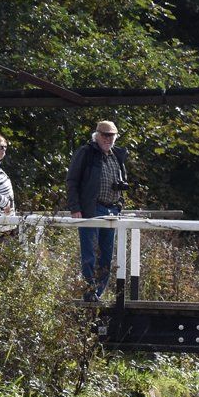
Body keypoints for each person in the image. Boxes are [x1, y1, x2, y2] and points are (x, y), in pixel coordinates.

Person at [66, 120, 130, 300]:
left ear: (115, 137)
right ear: (97, 135)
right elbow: (72, 181)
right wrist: (75, 208)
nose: (107, 139)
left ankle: (97, 295)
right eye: (104, 135)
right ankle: (89, 294)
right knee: (89, 255)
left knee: (106, 257)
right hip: (92, 208)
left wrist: (120, 205)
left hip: (112, 210)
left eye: (111, 136)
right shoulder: (86, 153)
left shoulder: (117, 155)